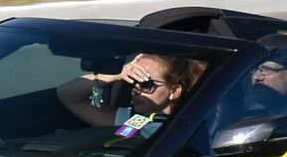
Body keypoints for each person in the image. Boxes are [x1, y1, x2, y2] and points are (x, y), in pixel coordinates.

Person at [57, 51, 204, 140]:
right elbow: (67, 94)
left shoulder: (192, 126)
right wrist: (115, 75)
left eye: (146, 83)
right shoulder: (131, 120)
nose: (136, 89)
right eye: (133, 81)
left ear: (174, 91)